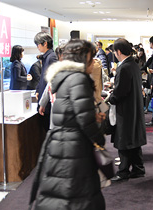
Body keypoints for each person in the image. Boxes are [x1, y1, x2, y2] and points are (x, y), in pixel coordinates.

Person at [29, 39, 106, 210]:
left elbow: (73, 111)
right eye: (91, 58)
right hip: (75, 146)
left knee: (61, 190)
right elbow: (85, 120)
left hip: (59, 142)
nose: (93, 63)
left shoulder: (64, 77)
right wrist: (100, 140)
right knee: (77, 195)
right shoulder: (79, 79)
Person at [109, 38, 147, 182]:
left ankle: (123, 171)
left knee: (124, 140)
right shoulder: (134, 64)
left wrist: (112, 98)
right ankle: (138, 168)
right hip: (134, 106)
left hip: (126, 109)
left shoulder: (124, 67)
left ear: (118, 52)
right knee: (133, 140)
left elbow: (120, 91)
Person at [34, 32, 58, 131]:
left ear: (45, 43)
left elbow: (51, 80)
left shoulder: (51, 57)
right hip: (44, 97)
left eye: (38, 44)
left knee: (48, 128)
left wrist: (44, 100)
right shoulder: (47, 57)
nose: (37, 47)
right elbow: (43, 78)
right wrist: (38, 90)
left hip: (48, 99)